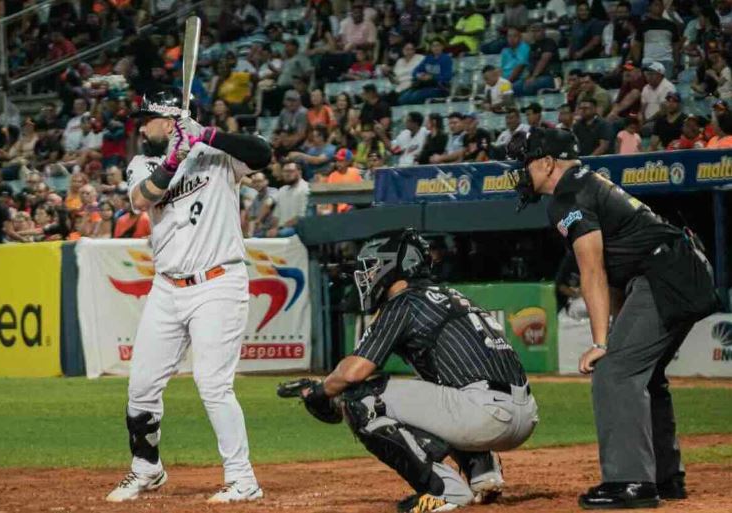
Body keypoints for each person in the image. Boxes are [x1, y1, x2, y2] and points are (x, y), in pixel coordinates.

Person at [506, 127, 718, 510]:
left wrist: (602, 342)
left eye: (525, 163)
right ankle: (665, 478)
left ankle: (631, 482)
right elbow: (616, 269)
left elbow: (592, 271)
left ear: (548, 162)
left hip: (666, 274)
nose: (521, 172)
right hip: (679, 269)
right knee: (643, 374)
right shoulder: (587, 184)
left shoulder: (567, 194)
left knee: (615, 372)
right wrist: (616, 331)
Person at [293, 229, 537, 512]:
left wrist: (321, 390)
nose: (367, 275)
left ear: (393, 267)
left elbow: (353, 373)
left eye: (372, 267)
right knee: (436, 385)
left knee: (361, 398)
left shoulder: (404, 302)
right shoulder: (450, 294)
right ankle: (483, 472)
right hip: (524, 414)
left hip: (483, 415)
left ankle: (445, 491)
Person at [107, 88, 272, 504]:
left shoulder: (217, 154)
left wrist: (208, 137)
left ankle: (243, 478)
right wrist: (176, 158)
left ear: (170, 120)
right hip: (167, 287)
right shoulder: (143, 162)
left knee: (213, 384)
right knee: (141, 386)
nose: (142, 126)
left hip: (218, 282)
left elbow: (263, 154)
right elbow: (141, 199)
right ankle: (147, 468)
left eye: (148, 119)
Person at [633, 0, 681, 79]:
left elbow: (676, 46)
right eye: (656, 5)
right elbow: (637, 44)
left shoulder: (671, 25)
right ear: (650, 7)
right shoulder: (643, 25)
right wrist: (637, 63)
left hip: (667, 60)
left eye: (661, 5)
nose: (659, 7)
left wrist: (676, 64)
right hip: (649, 61)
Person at [398, 38, 452, 105]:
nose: (436, 48)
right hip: (425, 85)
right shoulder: (428, 58)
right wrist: (419, 75)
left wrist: (432, 77)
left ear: (442, 47)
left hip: (438, 87)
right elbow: (415, 71)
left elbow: (447, 76)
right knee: (403, 98)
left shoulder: (446, 59)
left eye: (438, 45)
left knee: (416, 97)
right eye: (433, 46)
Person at [514, 22, 560, 96]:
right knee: (515, 86)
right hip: (535, 76)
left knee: (529, 86)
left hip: (550, 76)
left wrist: (534, 76)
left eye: (537, 31)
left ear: (544, 31)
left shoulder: (549, 42)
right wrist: (528, 76)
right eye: (533, 31)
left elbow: (544, 60)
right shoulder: (532, 46)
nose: (534, 33)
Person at [270, 161, 309, 238]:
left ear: (299, 172)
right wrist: (273, 228)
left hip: (297, 229)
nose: (287, 174)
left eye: (290, 171)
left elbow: (301, 217)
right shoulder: (282, 190)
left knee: (281, 234)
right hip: (281, 229)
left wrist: (278, 229)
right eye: (285, 171)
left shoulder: (305, 189)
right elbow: (276, 214)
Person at [243, 172, 277, 237]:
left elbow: (268, 203)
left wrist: (258, 220)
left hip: (273, 229)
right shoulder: (255, 199)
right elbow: (252, 218)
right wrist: (250, 234)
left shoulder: (273, 191)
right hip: (261, 231)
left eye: (259, 181)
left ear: (266, 182)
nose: (257, 184)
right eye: (255, 182)